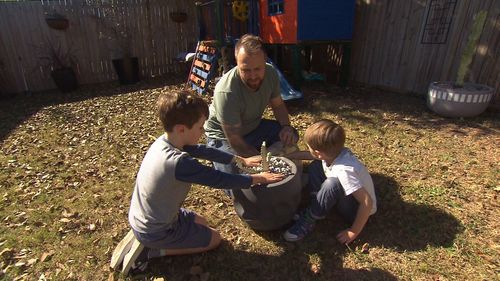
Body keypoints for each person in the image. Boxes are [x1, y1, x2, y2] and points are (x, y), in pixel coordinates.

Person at [127, 90, 284, 270]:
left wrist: (239, 160)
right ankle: (151, 252)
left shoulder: (166, 141)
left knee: (202, 221)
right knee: (214, 239)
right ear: (181, 129)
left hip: (149, 217)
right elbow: (219, 179)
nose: (203, 131)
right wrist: (257, 178)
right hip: (156, 228)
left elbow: (203, 150)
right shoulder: (178, 163)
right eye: (200, 127)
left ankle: (149, 237)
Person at [204, 34, 298, 175]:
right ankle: (217, 156)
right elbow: (234, 139)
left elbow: (278, 106)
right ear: (237, 64)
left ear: (265, 61)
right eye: (246, 70)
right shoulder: (227, 91)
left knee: (292, 135)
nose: (253, 76)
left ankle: (265, 153)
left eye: (258, 69)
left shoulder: (271, 74)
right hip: (223, 137)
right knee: (235, 175)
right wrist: (261, 163)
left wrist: (286, 127)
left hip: (253, 127)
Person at [283, 119, 377, 244]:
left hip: (356, 211)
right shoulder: (333, 153)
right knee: (316, 166)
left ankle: (310, 218)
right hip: (349, 196)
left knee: (332, 184)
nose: (308, 149)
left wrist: (354, 231)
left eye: (309, 147)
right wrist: (288, 157)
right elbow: (311, 156)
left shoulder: (344, 171)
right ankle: (317, 206)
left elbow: (367, 202)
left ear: (318, 152)